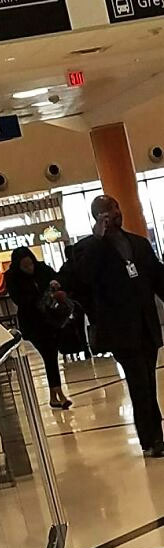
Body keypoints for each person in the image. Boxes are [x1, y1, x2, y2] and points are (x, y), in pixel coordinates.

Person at [75, 195, 164, 457]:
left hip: (146, 326)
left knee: (149, 382)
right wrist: (98, 240)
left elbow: (157, 277)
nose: (115, 213)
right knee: (139, 384)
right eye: (107, 211)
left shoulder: (138, 243)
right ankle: (152, 440)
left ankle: (153, 437)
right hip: (121, 331)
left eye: (116, 208)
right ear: (97, 217)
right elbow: (84, 278)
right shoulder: (89, 249)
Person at [6, 247, 72, 409]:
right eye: (25, 266)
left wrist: (55, 286)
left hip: (52, 320)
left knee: (50, 356)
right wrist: (41, 296)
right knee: (49, 355)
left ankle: (54, 396)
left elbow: (58, 279)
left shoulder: (43, 269)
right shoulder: (13, 277)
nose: (29, 268)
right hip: (34, 324)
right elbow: (20, 299)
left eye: (30, 264)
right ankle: (58, 394)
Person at [57, 244, 91, 358]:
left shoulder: (64, 269)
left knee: (79, 326)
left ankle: (84, 346)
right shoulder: (82, 266)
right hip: (86, 298)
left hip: (74, 300)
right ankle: (94, 345)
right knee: (93, 321)